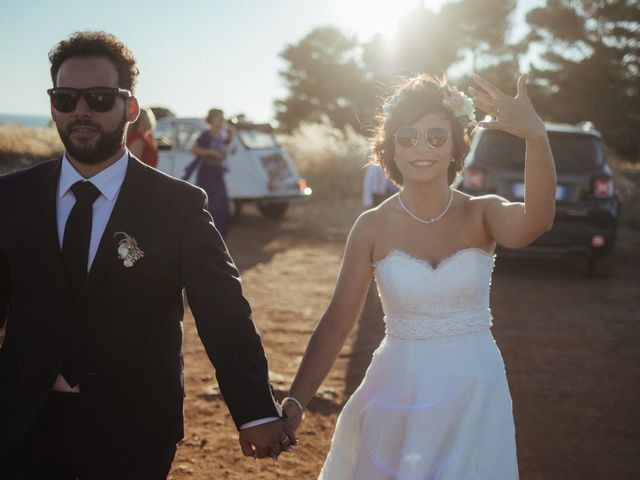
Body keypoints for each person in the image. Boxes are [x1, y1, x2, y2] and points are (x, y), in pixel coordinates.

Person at [0, 31, 290, 479]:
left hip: (133, 430)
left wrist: (255, 410)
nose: (81, 110)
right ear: (53, 104)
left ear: (130, 109)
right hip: (20, 421)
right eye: (65, 97)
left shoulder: (179, 206)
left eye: (99, 98)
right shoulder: (10, 197)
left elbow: (223, 312)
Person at [280, 73, 557, 479]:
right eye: (407, 138)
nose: (422, 148)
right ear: (391, 147)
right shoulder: (371, 226)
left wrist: (536, 136)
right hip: (397, 392)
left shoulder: (483, 213)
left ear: (455, 146)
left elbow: (538, 220)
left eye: (436, 136)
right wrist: (296, 402)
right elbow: (338, 321)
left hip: (474, 391)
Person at [182, 108, 231, 238]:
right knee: (210, 207)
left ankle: (218, 236)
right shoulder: (206, 134)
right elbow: (195, 149)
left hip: (217, 174)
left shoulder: (220, 136)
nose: (222, 121)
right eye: (220, 118)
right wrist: (212, 153)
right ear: (213, 120)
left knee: (223, 208)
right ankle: (207, 237)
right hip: (207, 175)